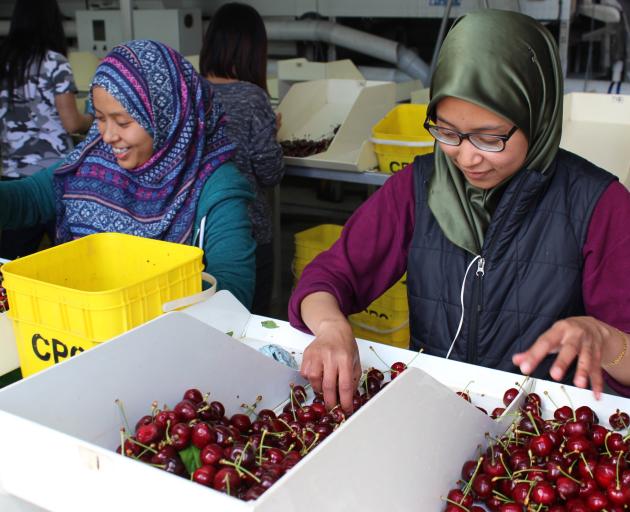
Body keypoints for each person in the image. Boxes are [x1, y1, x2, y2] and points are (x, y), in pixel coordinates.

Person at [289, 10, 630, 413]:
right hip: (439, 418)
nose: (467, 158)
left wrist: (604, 340)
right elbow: (324, 279)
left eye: (489, 138)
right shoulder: (418, 188)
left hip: (546, 437)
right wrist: (330, 326)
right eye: (447, 132)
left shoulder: (599, 204)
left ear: (537, 116)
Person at [0, 40, 256, 308]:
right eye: (99, 118)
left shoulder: (215, 187)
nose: (108, 136)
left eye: (123, 122)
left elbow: (233, 290)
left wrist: (129, 294)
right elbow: (29, 197)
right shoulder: (93, 159)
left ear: (166, 116)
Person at [200, 2, 284, 315]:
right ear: (253, 51)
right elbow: (269, 171)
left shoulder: (190, 90)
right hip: (246, 232)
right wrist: (271, 133)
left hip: (199, 229)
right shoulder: (252, 97)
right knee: (247, 321)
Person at [0, 0, 93, 259]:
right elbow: (72, 123)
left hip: (12, 174)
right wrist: (97, 118)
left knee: (11, 268)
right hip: (55, 176)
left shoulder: (4, 61)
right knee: (69, 261)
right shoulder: (54, 63)